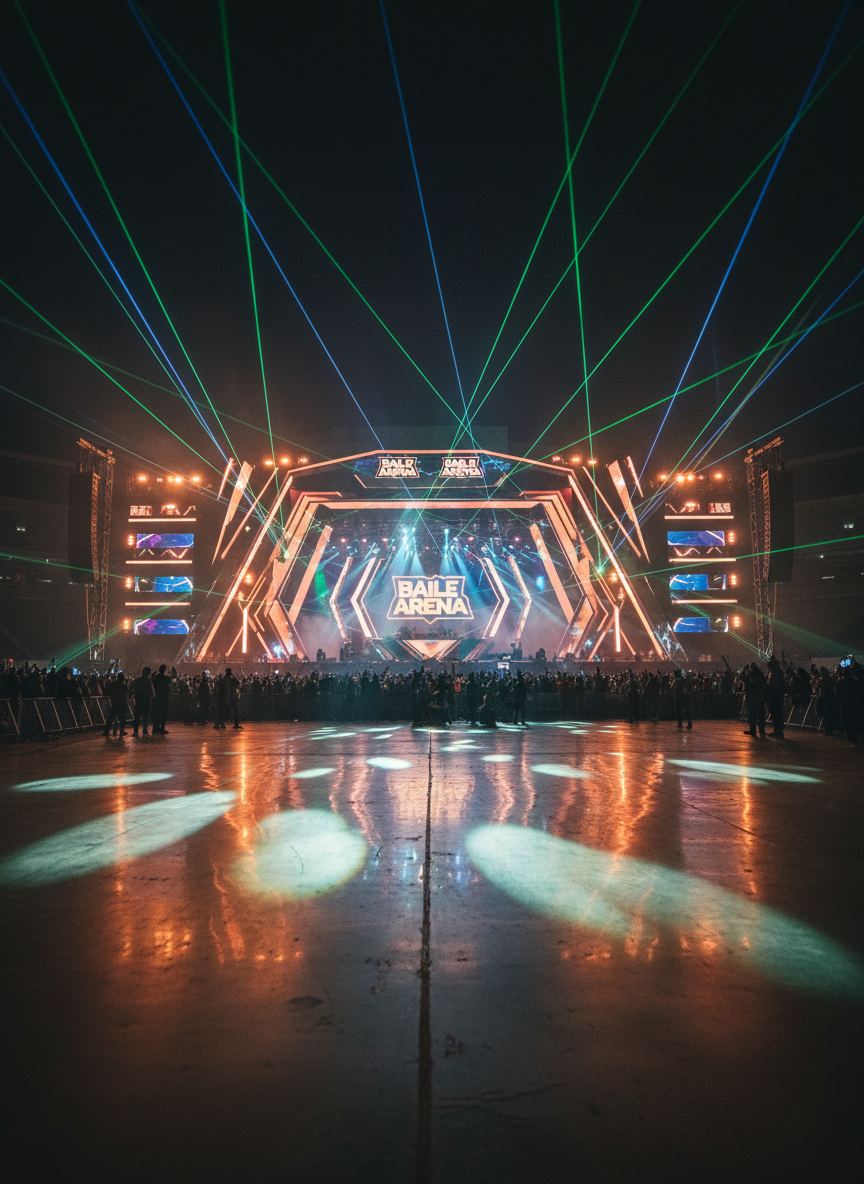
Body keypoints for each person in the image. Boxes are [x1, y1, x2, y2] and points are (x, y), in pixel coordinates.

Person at [741, 663, 766, 738]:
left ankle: (753, 730)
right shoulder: (761, 676)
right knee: (761, 717)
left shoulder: (751, 676)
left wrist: (744, 669)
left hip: (751, 699)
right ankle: (762, 732)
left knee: (751, 716)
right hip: (760, 698)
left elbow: (743, 677)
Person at [102, 672, 128, 736]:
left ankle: (106, 731)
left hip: (114, 703)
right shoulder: (124, 686)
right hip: (122, 704)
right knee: (122, 718)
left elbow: (108, 692)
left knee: (111, 717)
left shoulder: (113, 685)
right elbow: (126, 694)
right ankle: (121, 731)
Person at [765, 657, 786, 739]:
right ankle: (777, 731)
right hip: (775, 696)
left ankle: (778, 732)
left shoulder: (776, 674)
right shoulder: (776, 673)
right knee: (775, 715)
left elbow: (774, 686)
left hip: (775, 697)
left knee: (776, 714)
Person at [131, 667, 154, 736]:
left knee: (137, 716)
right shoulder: (148, 681)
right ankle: (144, 730)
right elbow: (152, 692)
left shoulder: (137, 681)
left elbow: (131, 689)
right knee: (145, 717)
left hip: (138, 700)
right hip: (146, 700)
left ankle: (135, 731)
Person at [151, 663, 171, 735]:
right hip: (164, 698)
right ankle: (162, 728)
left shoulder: (156, 678)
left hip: (157, 698)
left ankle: (155, 728)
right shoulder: (167, 679)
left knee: (156, 714)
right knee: (163, 714)